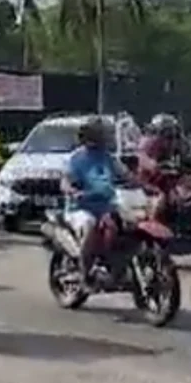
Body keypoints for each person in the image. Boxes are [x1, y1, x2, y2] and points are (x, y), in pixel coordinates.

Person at [60, 117, 130, 289]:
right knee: (90, 225)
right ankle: (85, 274)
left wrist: (143, 185)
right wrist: (72, 191)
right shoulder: (77, 158)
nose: (106, 137)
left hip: (107, 206)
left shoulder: (108, 157)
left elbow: (126, 176)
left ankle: (116, 266)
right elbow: (65, 181)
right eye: (103, 134)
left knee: (128, 225)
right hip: (81, 207)